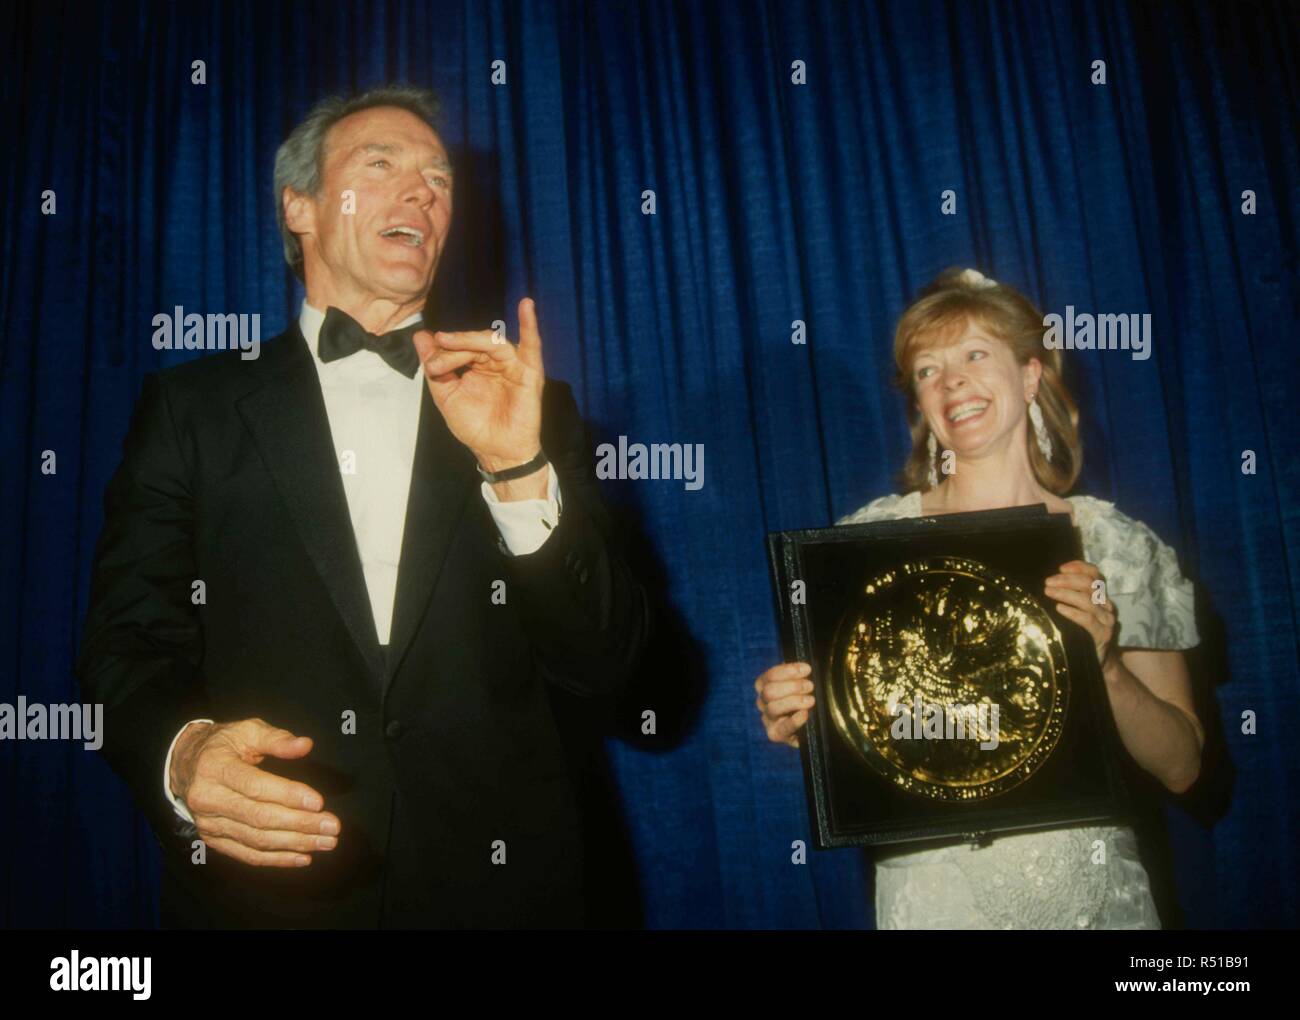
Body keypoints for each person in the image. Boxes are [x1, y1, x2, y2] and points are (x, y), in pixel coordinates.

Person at [76, 85, 649, 928]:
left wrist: (517, 467)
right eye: (380, 165)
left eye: (439, 178)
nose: (422, 191)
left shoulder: (529, 409)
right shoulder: (189, 407)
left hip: (507, 896)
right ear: (299, 208)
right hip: (268, 899)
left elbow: (609, 664)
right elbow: (124, 644)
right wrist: (186, 751)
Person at [754, 267, 1204, 929]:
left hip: (1090, 900)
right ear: (920, 404)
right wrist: (800, 721)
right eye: (928, 370)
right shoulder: (863, 547)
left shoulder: (1115, 545)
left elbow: (1183, 768)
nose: (951, 381)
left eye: (973, 355)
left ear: (1029, 376)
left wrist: (1105, 668)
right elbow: (858, 744)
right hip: (934, 902)